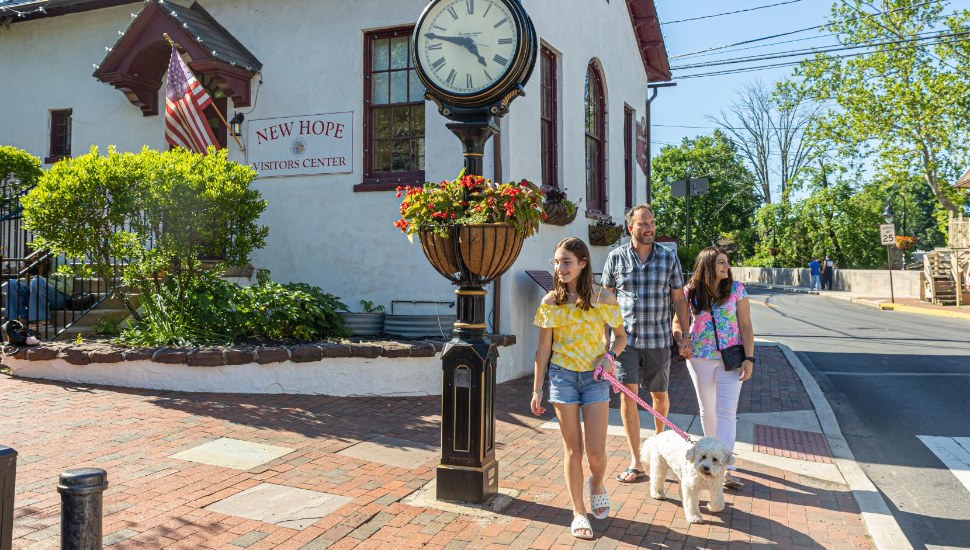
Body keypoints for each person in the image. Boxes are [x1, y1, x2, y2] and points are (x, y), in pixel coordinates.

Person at [531, 237, 627, 540]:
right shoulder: (550, 302)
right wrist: (537, 390)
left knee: (596, 453)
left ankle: (597, 484)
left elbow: (620, 338)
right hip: (562, 378)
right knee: (574, 450)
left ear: (583, 263)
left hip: (595, 378)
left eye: (567, 262)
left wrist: (609, 356)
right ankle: (578, 512)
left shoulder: (604, 298)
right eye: (557, 262)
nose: (560, 268)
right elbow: (543, 350)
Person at [602, 204, 692, 484]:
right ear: (631, 228)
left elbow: (679, 299)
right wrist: (604, 339)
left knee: (659, 397)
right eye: (643, 223)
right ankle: (635, 461)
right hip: (624, 341)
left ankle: (661, 454)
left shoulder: (668, 259)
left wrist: (684, 334)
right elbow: (606, 300)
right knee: (627, 397)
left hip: (658, 340)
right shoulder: (615, 258)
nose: (650, 227)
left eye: (652, 222)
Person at [677, 247, 755, 489]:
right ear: (708, 265)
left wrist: (749, 358)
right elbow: (678, 322)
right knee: (707, 409)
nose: (726, 267)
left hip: (731, 359)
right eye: (721, 262)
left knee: (727, 411)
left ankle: (725, 467)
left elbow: (746, 326)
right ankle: (709, 459)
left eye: (727, 262)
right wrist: (682, 340)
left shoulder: (737, 290)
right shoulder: (690, 292)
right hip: (699, 358)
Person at [4, 259, 70, 325]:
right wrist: (27, 281)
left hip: (58, 298)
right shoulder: (30, 261)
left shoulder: (60, 260)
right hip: (36, 297)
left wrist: (44, 280)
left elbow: (68, 288)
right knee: (12, 283)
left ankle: (42, 319)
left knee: (37, 281)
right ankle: (19, 318)